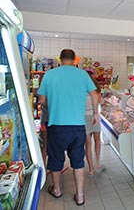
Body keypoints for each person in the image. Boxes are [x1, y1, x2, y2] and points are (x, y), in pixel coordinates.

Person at [38, 49, 99, 206]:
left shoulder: (50, 75)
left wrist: (55, 103)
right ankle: (79, 195)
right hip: (77, 126)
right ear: (74, 60)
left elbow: (42, 100)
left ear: (60, 59)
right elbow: (94, 94)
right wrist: (95, 114)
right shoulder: (83, 75)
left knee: (56, 159)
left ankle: (57, 190)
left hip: (56, 125)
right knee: (78, 161)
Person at [85, 71, 106, 177]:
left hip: (84, 117)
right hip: (95, 116)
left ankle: (91, 169)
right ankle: (97, 163)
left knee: (87, 144)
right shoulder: (96, 88)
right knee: (97, 140)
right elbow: (100, 101)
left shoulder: (80, 89)